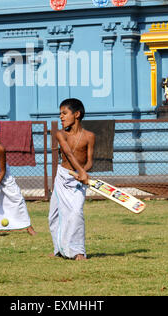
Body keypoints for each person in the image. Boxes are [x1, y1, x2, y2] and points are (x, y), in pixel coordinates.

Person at [48, 98, 95, 260]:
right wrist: (80, 171)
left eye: (64, 113)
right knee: (54, 215)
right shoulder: (60, 134)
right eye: (60, 113)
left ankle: (78, 251)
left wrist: (83, 173)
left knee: (75, 213)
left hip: (78, 182)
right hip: (62, 177)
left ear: (76, 114)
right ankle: (59, 249)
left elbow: (89, 161)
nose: (61, 117)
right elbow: (68, 153)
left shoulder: (89, 136)